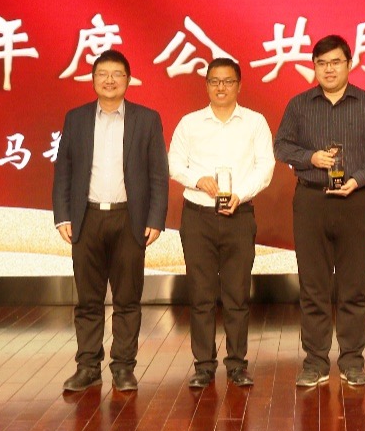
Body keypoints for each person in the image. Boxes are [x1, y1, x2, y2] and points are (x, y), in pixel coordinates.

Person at [274, 34, 365, 388]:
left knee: (353, 286)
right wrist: (309, 157)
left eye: (335, 62)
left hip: (356, 201)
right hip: (311, 200)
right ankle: (315, 361)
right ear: (314, 67)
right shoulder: (299, 105)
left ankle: (352, 360)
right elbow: (281, 146)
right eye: (322, 63)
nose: (329, 69)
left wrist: (358, 179)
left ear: (349, 64)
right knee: (313, 286)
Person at [53, 49, 169, 393]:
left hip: (129, 219)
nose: (109, 80)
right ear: (92, 80)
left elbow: (158, 173)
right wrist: (62, 215)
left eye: (117, 74)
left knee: (127, 299)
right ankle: (88, 366)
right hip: (86, 218)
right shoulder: (76, 119)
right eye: (102, 74)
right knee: (88, 300)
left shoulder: (146, 119)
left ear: (128, 80)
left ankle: (123, 368)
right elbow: (64, 170)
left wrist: (155, 218)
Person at [168, 58, 275, 389]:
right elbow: (173, 163)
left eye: (228, 81)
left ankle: (237, 364)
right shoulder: (190, 123)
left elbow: (265, 166)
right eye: (214, 81)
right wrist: (196, 179)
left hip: (239, 216)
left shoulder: (255, 122)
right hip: (198, 216)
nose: (221, 87)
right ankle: (203, 365)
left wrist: (240, 195)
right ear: (206, 85)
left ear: (239, 86)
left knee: (237, 294)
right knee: (201, 295)